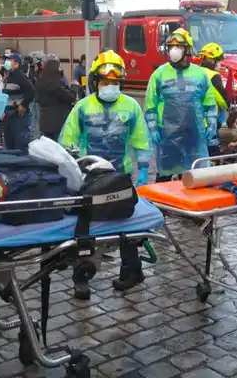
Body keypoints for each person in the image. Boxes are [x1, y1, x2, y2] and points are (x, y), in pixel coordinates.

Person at [59, 50, 152, 297]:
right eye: (105, 82)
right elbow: (68, 141)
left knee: (127, 226)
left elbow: (140, 138)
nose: (110, 86)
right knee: (84, 227)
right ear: (95, 82)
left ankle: (132, 271)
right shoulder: (82, 107)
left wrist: (143, 168)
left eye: (114, 82)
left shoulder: (131, 106)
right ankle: (81, 277)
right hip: (90, 178)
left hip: (121, 175)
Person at [144, 28, 217, 181]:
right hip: (167, 135)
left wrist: (211, 125)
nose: (174, 50)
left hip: (194, 135)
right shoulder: (159, 74)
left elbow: (209, 103)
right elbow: (150, 105)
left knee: (195, 177)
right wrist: (153, 129)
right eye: (171, 47)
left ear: (188, 50)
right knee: (164, 177)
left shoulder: (200, 74)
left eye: (178, 47)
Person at [198, 42, 230, 156]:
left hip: (194, 118)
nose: (220, 63)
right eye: (219, 60)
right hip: (209, 120)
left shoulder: (195, 72)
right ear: (212, 60)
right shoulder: (213, 75)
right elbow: (222, 99)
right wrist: (228, 104)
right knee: (212, 149)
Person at [1, 52, 35, 151]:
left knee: (19, 144)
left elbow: (31, 91)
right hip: (9, 114)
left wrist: (23, 105)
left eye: (10, 60)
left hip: (18, 115)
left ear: (16, 64)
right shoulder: (10, 76)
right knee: (9, 142)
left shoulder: (19, 76)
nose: (6, 62)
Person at [38, 58, 76, 141]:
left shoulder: (41, 83)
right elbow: (70, 97)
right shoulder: (56, 86)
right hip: (58, 123)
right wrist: (74, 87)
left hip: (45, 122)